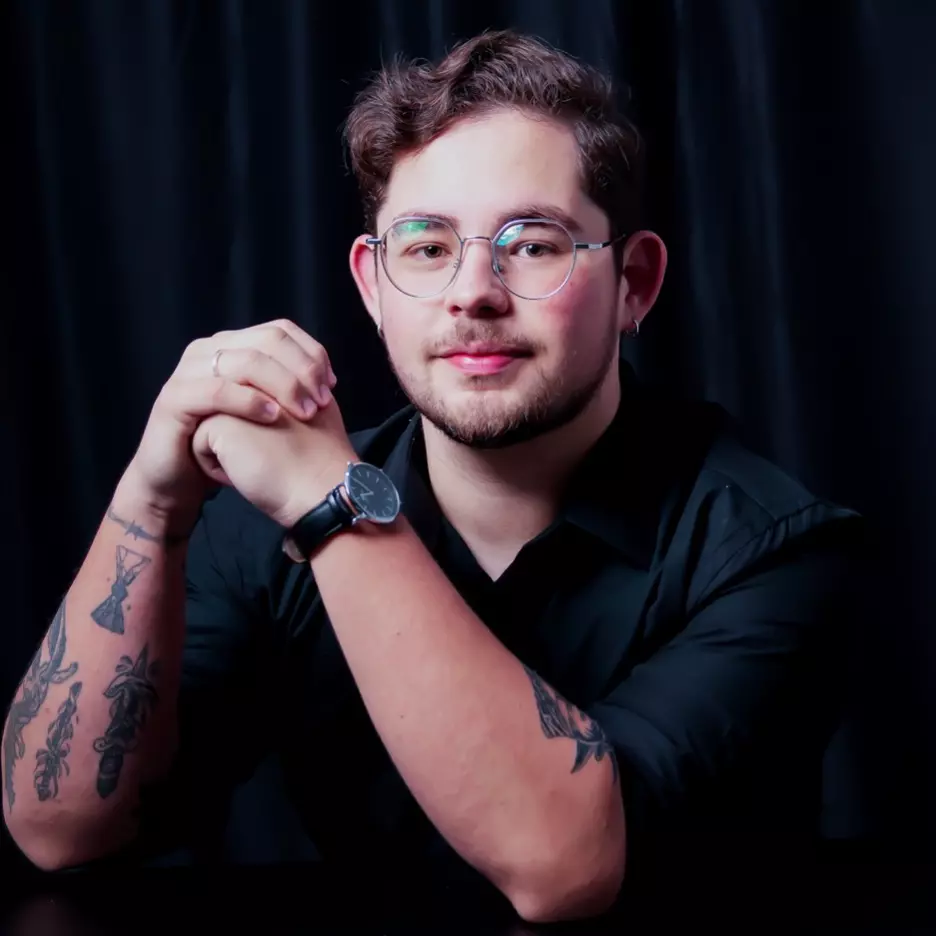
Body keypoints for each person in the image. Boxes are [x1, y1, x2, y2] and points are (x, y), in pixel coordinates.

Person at [2, 29, 863, 922]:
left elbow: (563, 868)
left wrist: (335, 507)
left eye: (533, 244)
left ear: (635, 283)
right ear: (373, 287)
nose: (472, 291)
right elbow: (59, 829)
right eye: (425, 246)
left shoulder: (773, 554)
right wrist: (150, 501)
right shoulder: (264, 526)